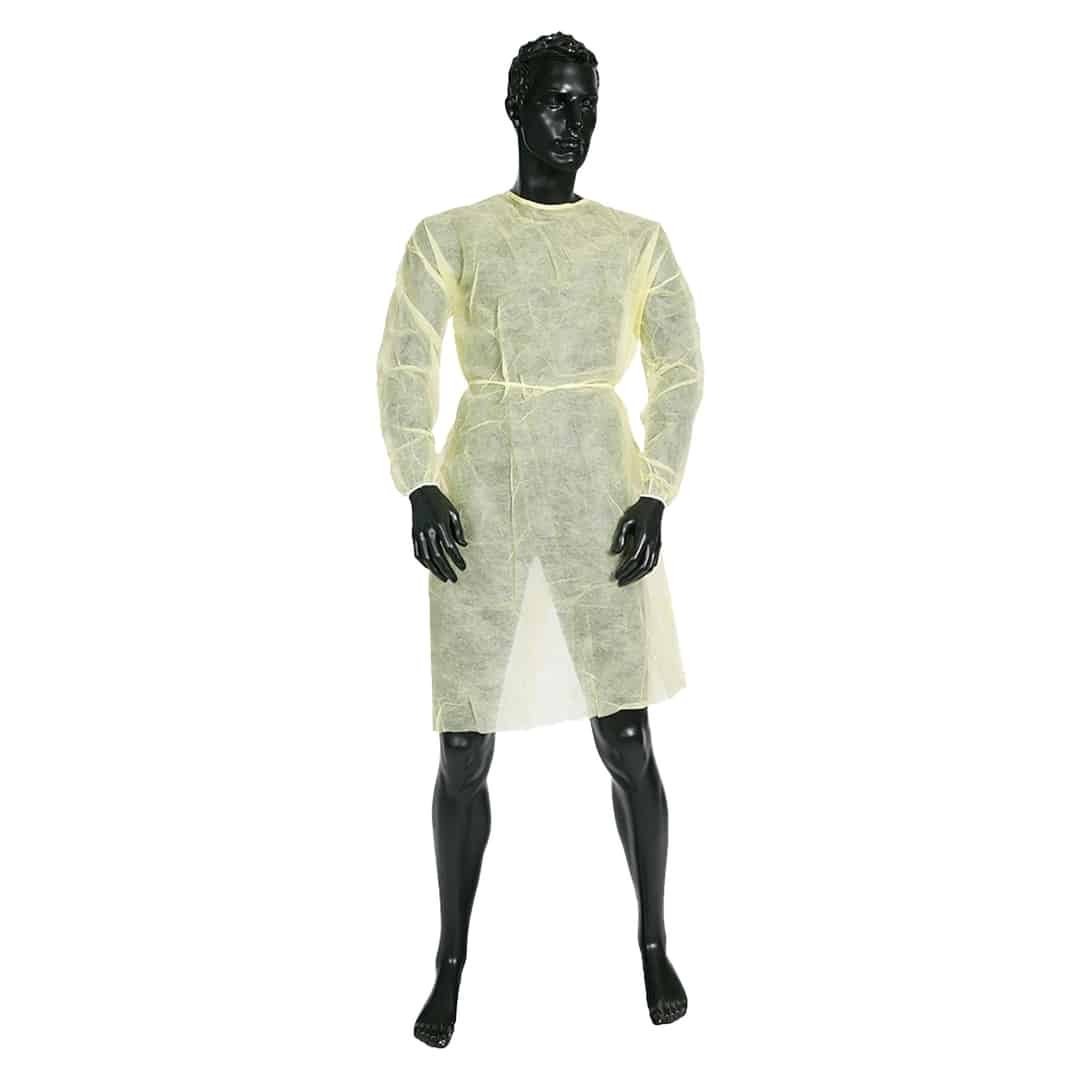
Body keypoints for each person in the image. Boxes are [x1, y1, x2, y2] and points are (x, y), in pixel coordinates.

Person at [376, 31, 704, 1047]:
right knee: (462, 743)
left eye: (588, 103)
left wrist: (655, 489)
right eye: (558, 101)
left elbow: (681, 366)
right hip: (479, 495)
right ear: (515, 107)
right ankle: (450, 958)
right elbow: (404, 358)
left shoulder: (635, 241)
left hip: (598, 497)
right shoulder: (452, 235)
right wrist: (420, 479)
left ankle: (653, 938)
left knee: (627, 734)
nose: (576, 121)